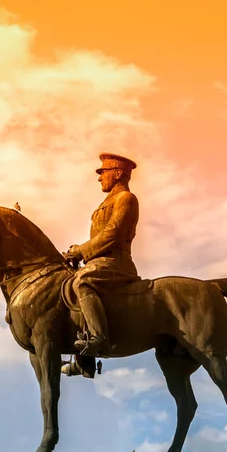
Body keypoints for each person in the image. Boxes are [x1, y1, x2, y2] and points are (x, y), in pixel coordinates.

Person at [64, 152, 140, 357]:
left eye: (103, 172)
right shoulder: (108, 202)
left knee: (83, 282)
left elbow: (113, 234)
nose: (99, 177)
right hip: (99, 261)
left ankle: (98, 339)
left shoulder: (126, 198)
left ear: (117, 174)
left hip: (116, 263)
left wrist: (81, 250)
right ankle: (83, 357)